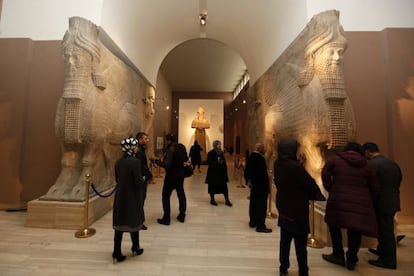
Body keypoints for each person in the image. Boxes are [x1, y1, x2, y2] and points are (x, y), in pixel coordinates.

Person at [322, 142, 379, 271]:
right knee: (355, 230)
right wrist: (368, 199)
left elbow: (325, 175)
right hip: (360, 202)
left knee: (334, 227)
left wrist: (332, 189)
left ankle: (338, 254)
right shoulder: (366, 165)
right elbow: (375, 185)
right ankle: (352, 259)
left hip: (338, 199)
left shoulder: (335, 161)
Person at [274, 139, 325, 276]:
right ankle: (303, 269)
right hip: (297, 211)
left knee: (284, 242)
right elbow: (309, 184)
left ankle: (283, 267)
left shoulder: (278, 164)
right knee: (300, 245)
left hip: (284, 207)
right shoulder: (295, 167)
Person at [363, 142, 402, 270]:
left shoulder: (372, 165)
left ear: (368, 152)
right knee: (385, 230)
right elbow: (399, 179)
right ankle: (382, 251)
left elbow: (370, 185)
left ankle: (388, 260)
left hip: (381, 203)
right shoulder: (392, 163)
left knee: (386, 232)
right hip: (392, 201)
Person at [112, 137, 145, 263]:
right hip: (132, 196)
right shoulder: (135, 162)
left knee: (119, 225)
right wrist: (143, 179)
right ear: (131, 148)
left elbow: (117, 179)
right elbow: (137, 182)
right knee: (134, 222)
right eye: (135, 146)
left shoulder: (118, 162)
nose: (137, 148)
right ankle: (135, 247)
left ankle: (116, 252)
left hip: (121, 196)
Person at [155, 133, 188, 225]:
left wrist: (156, 162)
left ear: (169, 140)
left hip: (171, 176)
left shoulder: (171, 149)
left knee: (165, 196)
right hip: (180, 175)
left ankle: (166, 218)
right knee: (181, 194)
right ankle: (182, 215)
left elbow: (167, 165)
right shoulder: (182, 147)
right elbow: (185, 159)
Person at [244, 142, 272, 233]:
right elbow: (262, 175)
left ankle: (253, 222)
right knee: (261, 206)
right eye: (263, 148)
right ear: (260, 148)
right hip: (261, 187)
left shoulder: (251, 157)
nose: (265, 150)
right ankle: (260, 226)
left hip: (254, 187)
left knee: (253, 204)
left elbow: (247, 171)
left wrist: (249, 182)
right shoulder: (260, 159)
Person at [205, 140, 232, 206]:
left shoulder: (221, 153)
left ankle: (227, 200)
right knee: (212, 187)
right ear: (215, 145)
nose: (219, 145)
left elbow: (224, 162)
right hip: (213, 173)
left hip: (221, 173)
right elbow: (208, 162)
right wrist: (216, 163)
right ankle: (212, 200)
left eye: (220, 144)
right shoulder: (211, 153)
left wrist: (224, 167)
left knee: (224, 187)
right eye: (218, 144)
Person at [135, 132, 152, 230]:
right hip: (140, 180)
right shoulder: (139, 152)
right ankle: (139, 222)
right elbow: (140, 167)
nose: (147, 140)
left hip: (141, 179)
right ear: (140, 140)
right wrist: (148, 175)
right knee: (140, 201)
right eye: (145, 139)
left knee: (140, 200)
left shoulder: (140, 150)